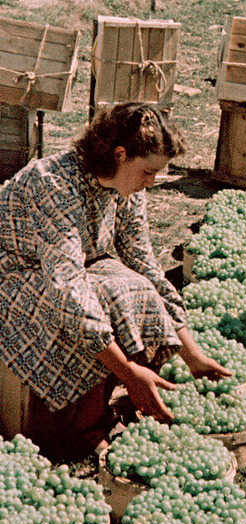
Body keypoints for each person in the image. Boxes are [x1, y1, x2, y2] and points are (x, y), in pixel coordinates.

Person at [0, 103, 229, 459]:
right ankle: (75, 431)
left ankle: (100, 414)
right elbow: (68, 289)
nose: (151, 182)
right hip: (16, 275)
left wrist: (192, 354)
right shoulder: (53, 185)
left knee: (134, 287)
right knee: (97, 301)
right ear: (119, 154)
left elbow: (146, 265)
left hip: (74, 270)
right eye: (148, 172)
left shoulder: (126, 188)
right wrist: (128, 370)